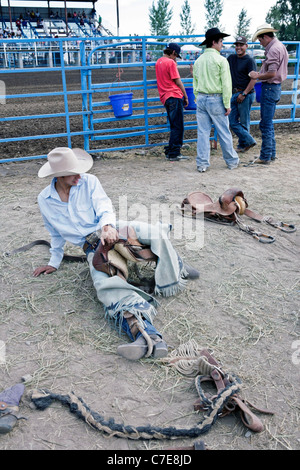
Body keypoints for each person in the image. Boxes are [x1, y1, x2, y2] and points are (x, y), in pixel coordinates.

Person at [33, 147, 200, 361]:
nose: (78, 175)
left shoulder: (89, 181)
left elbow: (103, 205)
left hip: (110, 228)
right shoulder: (45, 200)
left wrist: (107, 227)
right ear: (58, 176)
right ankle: (146, 334)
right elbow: (54, 232)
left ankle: (176, 266)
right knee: (107, 287)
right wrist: (54, 262)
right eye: (72, 172)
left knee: (153, 232)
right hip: (93, 247)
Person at [193, 28, 239, 172]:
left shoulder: (198, 61)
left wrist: (197, 98)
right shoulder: (221, 60)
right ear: (214, 42)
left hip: (201, 98)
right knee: (224, 131)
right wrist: (227, 103)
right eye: (221, 42)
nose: (222, 45)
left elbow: (195, 82)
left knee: (202, 132)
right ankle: (232, 161)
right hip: (216, 99)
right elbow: (226, 84)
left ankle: (202, 164)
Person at [248, 23, 289, 164]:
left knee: (265, 124)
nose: (261, 43)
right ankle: (270, 154)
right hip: (275, 88)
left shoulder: (273, 50)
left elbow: (272, 73)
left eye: (260, 40)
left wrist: (256, 75)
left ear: (265, 37)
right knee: (268, 123)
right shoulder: (280, 46)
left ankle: (265, 156)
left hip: (270, 88)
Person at [155, 43, 189, 162]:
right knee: (178, 126)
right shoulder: (170, 63)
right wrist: (185, 96)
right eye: (176, 55)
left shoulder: (159, 61)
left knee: (174, 124)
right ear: (173, 53)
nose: (176, 58)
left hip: (165, 97)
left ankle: (171, 150)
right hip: (174, 95)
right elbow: (178, 81)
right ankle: (174, 152)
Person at [227, 36, 257, 152]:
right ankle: (248, 140)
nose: (238, 47)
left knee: (244, 120)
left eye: (241, 45)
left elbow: (253, 79)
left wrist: (244, 93)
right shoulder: (231, 58)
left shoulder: (250, 60)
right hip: (234, 92)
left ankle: (243, 145)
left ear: (246, 46)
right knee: (232, 121)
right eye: (237, 45)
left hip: (246, 94)